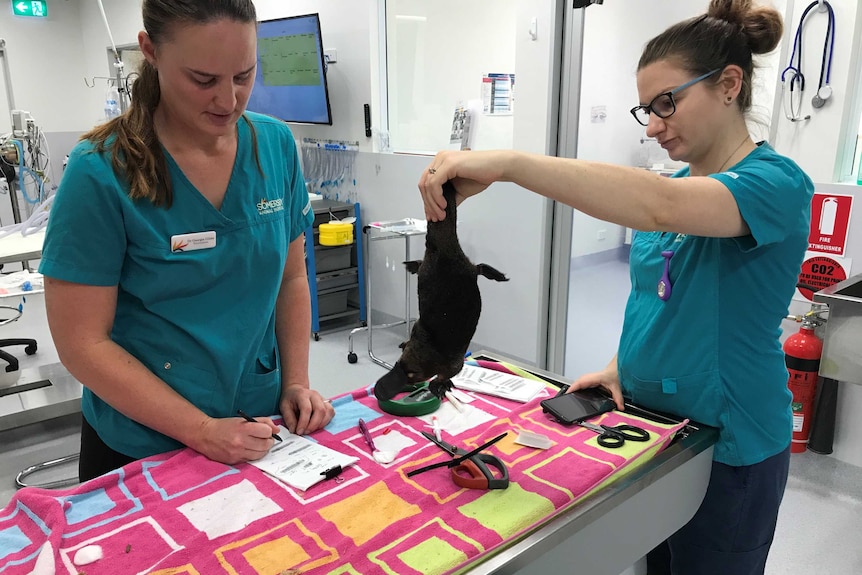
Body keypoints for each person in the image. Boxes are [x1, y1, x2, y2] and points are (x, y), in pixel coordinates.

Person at [418, 1, 811, 574]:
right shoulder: (679, 183)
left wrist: (508, 163)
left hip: (732, 443)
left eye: (667, 103)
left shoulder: (774, 185)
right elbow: (658, 297)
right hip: (656, 431)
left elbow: (658, 207)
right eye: (646, 109)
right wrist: (621, 364)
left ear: (730, 85)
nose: (653, 126)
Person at [39, 0, 334, 482]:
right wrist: (199, 429)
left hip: (258, 426)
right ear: (150, 51)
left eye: (244, 75)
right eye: (203, 80)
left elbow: (292, 277)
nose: (228, 100)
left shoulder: (275, 146)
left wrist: (296, 382)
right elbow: (82, 343)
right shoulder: (100, 171)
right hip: (142, 440)